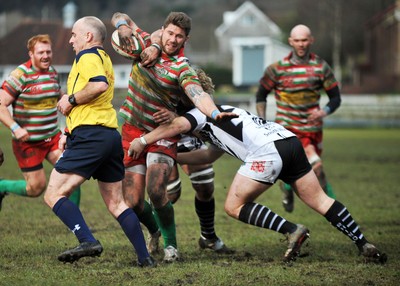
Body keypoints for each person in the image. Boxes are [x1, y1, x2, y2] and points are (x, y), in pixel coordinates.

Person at [128, 104, 387, 264]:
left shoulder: (197, 112)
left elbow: (178, 124)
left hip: (267, 153)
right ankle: (363, 243)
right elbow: (208, 155)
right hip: (288, 141)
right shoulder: (223, 112)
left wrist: (144, 141)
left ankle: (292, 230)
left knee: (234, 205)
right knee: (320, 200)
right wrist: (173, 157)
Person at [110, 12, 235, 262]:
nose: (173, 39)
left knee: (157, 190)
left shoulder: (182, 67)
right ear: (162, 30)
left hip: (161, 134)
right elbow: (119, 15)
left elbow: (197, 93)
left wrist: (214, 112)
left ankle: (172, 246)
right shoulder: (145, 44)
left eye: (179, 36)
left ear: (185, 39)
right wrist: (123, 27)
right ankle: (155, 231)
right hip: (131, 129)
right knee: (133, 202)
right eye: (170, 33)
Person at [43, 16, 155, 267]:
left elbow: (99, 85)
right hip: (108, 136)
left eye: (74, 34)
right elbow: (93, 99)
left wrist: (70, 100)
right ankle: (144, 258)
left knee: (53, 194)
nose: (70, 39)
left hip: (91, 136)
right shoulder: (103, 58)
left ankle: (87, 240)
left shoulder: (88, 57)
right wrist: (67, 132)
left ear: (88, 37)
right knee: (117, 203)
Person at [255, 24, 340, 213]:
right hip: (286, 129)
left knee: (315, 171)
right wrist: (262, 122)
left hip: (311, 130)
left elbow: (336, 97)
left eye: (304, 40)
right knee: (316, 167)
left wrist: (323, 111)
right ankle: (336, 211)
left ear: (311, 40)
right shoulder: (277, 69)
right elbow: (261, 95)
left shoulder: (320, 67)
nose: (301, 44)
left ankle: (288, 188)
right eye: (297, 40)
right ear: (291, 41)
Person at [153, 68, 234, 254]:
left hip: (190, 140)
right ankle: (155, 232)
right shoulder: (163, 93)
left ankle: (208, 237)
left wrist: (183, 121)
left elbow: (205, 131)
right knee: (171, 193)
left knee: (205, 187)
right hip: (165, 139)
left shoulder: (201, 100)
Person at [0, 34, 81, 211]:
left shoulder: (52, 72)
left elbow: (58, 96)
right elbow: (1, 105)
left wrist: (68, 99)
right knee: (36, 188)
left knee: (73, 174)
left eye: (48, 51)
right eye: (40, 52)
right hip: (27, 143)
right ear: (31, 54)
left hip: (52, 138)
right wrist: (15, 128)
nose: (45, 56)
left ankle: (75, 223)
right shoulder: (20, 75)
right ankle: (1, 186)